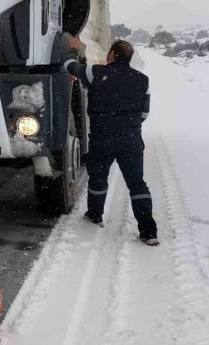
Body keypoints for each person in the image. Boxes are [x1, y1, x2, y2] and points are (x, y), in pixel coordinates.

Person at [63, 38, 159, 246]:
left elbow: (69, 67)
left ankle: (95, 214)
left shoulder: (97, 73)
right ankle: (148, 231)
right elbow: (144, 113)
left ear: (113, 55)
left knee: (98, 178)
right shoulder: (142, 80)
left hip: (102, 137)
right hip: (131, 139)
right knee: (136, 182)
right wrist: (128, 124)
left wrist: (72, 50)